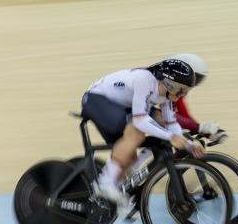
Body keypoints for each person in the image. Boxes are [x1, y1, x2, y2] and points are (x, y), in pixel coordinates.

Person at [81, 56, 206, 205]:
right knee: (137, 131)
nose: (181, 95)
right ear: (169, 84)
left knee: (136, 148)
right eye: (181, 90)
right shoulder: (145, 81)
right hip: (96, 98)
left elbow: (171, 124)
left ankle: (119, 190)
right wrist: (171, 137)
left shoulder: (167, 95)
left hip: (120, 106)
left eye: (186, 91)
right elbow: (140, 121)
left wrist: (189, 145)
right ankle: (105, 182)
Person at [166, 53, 227, 140]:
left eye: (196, 81)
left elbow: (184, 116)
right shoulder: (164, 87)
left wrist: (203, 131)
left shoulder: (176, 90)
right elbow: (166, 117)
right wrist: (199, 127)